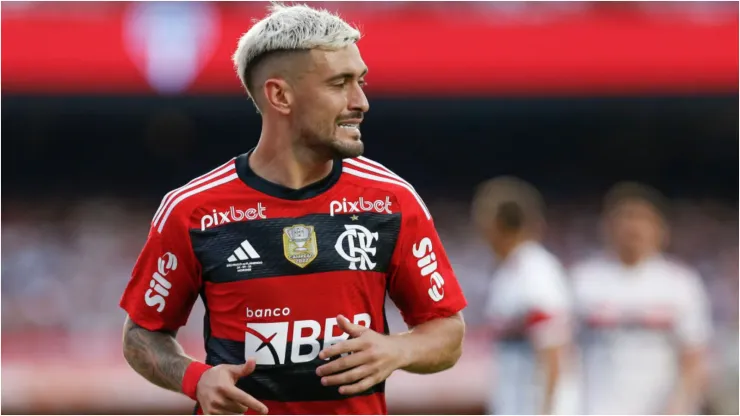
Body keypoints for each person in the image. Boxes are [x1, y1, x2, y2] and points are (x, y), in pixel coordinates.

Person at [119, 4, 467, 415]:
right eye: (340, 83)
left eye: (361, 82)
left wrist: (398, 349)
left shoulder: (391, 200)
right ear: (280, 95)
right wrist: (194, 377)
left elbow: (447, 332)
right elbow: (141, 336)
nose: (361, 102)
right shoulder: (193, 210)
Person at [571, 182, 712, 414]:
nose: (632, 227)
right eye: (625, 218)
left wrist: (680, 404)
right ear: (607, 226)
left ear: (660, 228)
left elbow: (694, 357)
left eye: (642, 219)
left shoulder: (680, 284)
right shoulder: (582, 281)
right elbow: (563, 350)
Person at [471, 177, 578, 415]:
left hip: (536, 407)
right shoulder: (510, 271)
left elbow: (554, 351)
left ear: (497, 222)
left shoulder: (535, 271)